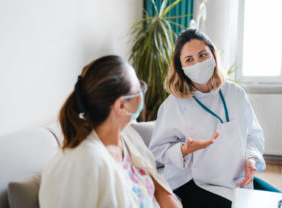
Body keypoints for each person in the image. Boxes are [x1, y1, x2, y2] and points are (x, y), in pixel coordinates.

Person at [39, 55, 181, 208]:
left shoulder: (126, 137)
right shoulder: (82, 164)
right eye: (138, 88)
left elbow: (159, 189)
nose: (142, 91)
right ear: (121, 106)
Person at [149, 29, 266, 208]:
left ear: (213, 54)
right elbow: (157, 149)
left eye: (203, 55)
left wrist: (251, 158)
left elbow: (253, 135)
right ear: (181, 67)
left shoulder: (235, 93)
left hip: (236, 178)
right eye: (189, 59)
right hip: (193, 182)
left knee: (281, 202)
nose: (198, 62)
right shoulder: (174, 105)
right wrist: (183, 149)